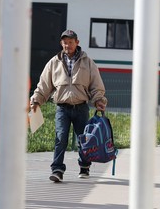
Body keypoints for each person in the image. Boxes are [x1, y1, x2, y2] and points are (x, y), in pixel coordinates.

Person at [30, 29, 107, 182]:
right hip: (62, 108)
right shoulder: (54, 62)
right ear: (61, 43)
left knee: (84, 140)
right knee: (60, 138)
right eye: (65, 42)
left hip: (81, 107)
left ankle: (84, 167)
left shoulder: (87, 62)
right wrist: (36, 101)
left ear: (77, 43)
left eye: (70, 42)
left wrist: (99, 100)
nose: (67, 45)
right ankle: (57, 169)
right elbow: (44, 85)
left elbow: (96, 85)